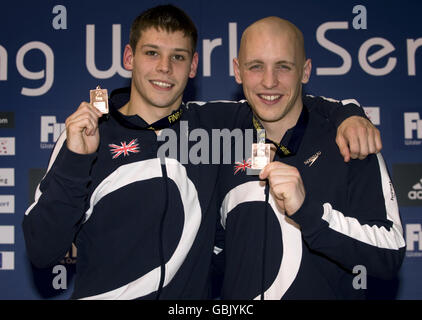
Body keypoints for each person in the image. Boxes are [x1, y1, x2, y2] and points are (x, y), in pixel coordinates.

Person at [22, 5, 382, 300]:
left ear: (193, 66)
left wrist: (349, 113)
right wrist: (76, 158)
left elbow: (285, 99)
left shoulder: (215, 125)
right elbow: (42, 250)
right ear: (129, 57)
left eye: (178, 57)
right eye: (152, 53)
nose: (164, 68)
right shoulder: (88, 133)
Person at [214, 16, 406, 300]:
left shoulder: (349, 140)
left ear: (305, 71)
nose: (270, 81)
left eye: (284, 66)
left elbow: (390, 252)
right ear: (237, 71)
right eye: (256, 66)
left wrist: (309, 212)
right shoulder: (219, 140)